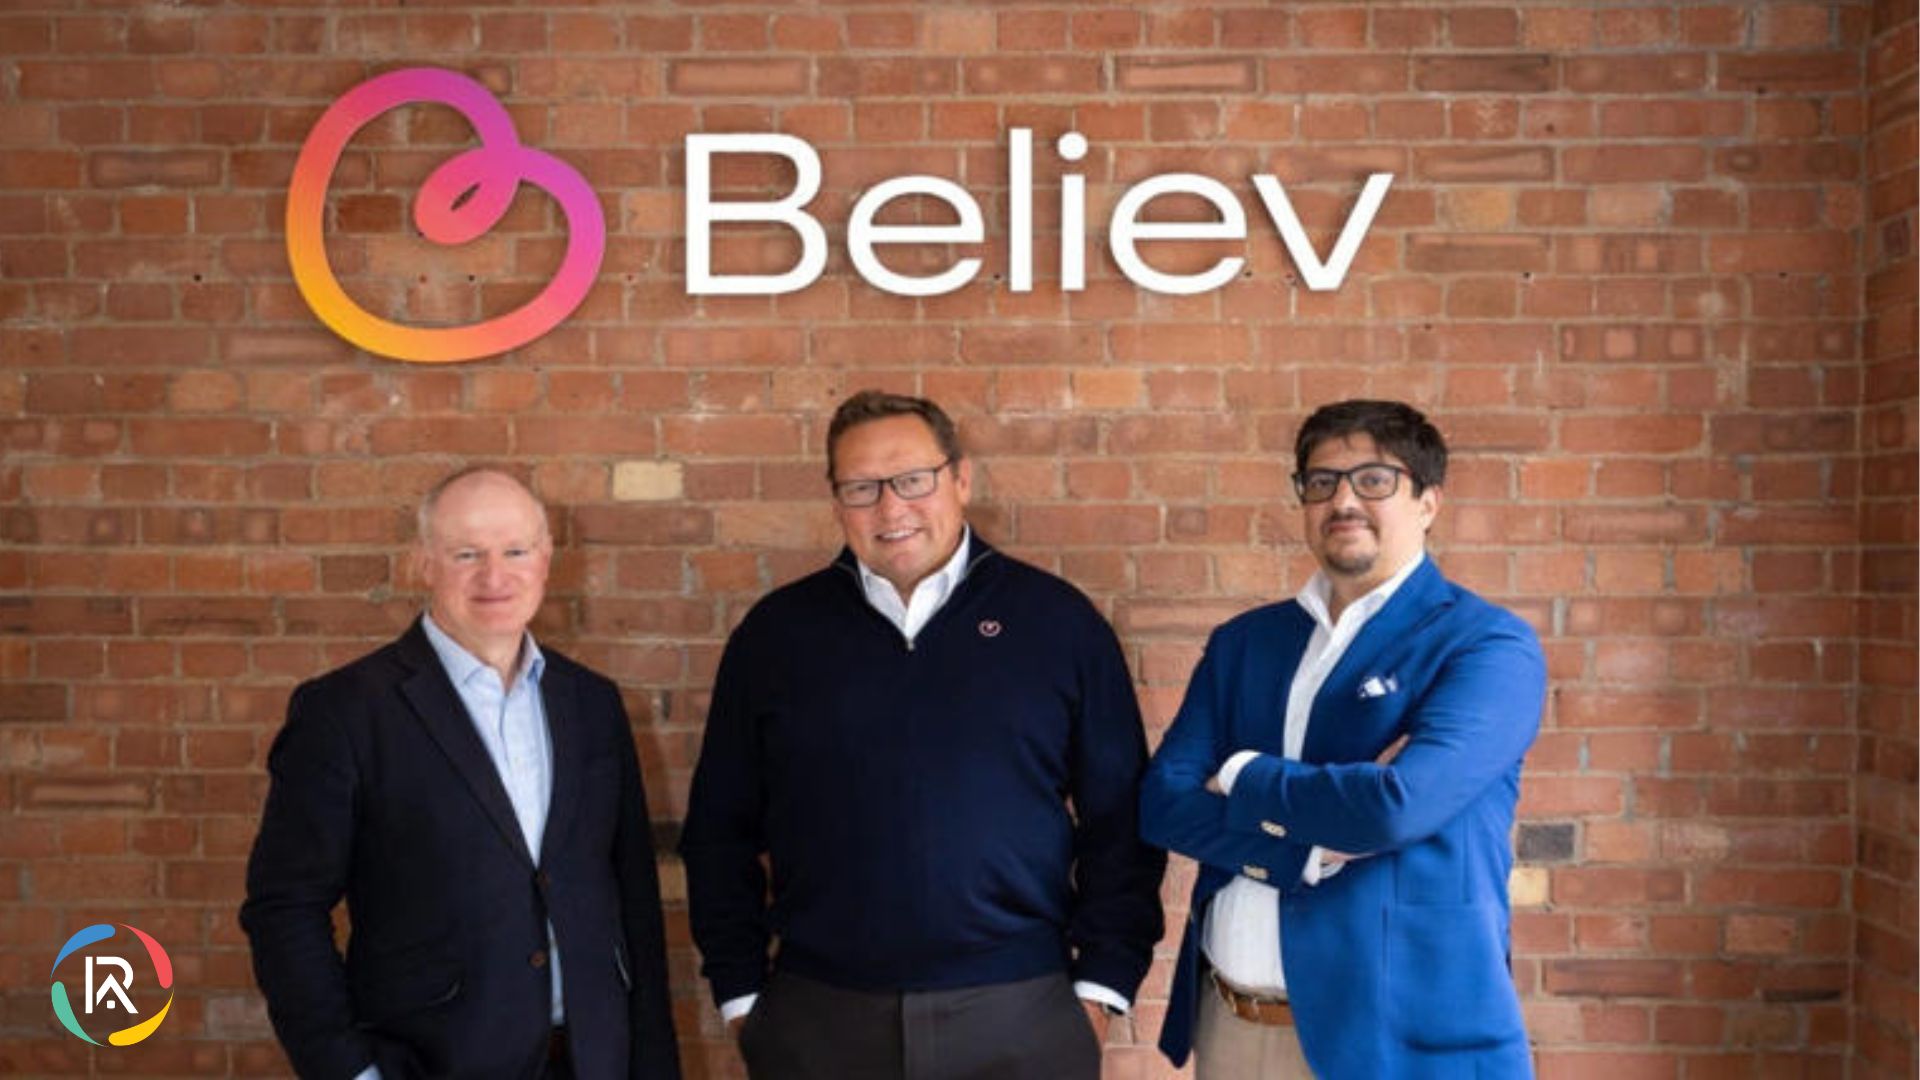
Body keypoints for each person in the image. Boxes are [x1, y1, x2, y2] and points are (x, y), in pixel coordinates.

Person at [679, 390, 1165, 1080]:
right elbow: (718, 830)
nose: (890, 508)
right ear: (836, 500)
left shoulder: (1059, 624)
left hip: (1021, 1013)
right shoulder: (776, 636)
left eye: (913, 480)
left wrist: (1100, 992)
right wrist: (742, 998)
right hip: (818, 1015)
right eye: (862, 488)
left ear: (960, 479)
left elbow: (1121, 823)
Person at [1140, 399, 1546, 1078]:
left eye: (1375, 480)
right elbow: (1163, 804)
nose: (1344, 501)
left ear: (1428, 502)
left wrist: (1239, 774)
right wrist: (1308, 849)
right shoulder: (1246, 643)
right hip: (1231, 1026)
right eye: (1322, 482)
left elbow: (1395, 806)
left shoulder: (1486, 646)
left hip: (1400, 1043)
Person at [240, 467, 681, 1080]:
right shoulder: (345, 711)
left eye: (516, 551)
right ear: (423, 562)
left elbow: (632, 902)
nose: (495, 576)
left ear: (547, 559)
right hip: (430, 1063)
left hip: (592, 1061)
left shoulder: (592, 704)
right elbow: (285, 907)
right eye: (467, 553)